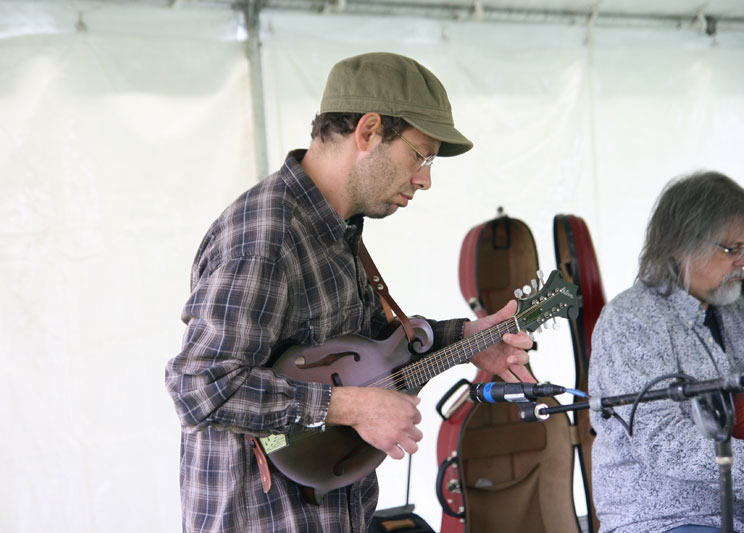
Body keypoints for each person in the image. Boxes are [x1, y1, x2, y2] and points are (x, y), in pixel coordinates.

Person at [164, 52, 533, 532]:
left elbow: (373, 358)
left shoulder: (335, 230)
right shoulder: (265, 236)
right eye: (420, 156)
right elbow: (201, 387)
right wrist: (352, 407)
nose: (424, 179)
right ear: (368, 131)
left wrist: (467, 340)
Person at [589, 171, 744, 533]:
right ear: (679, 245)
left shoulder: (732, 309)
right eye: (730, 249)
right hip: (662, 518)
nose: (741, 261)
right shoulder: (630, 320)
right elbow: (664, 442)